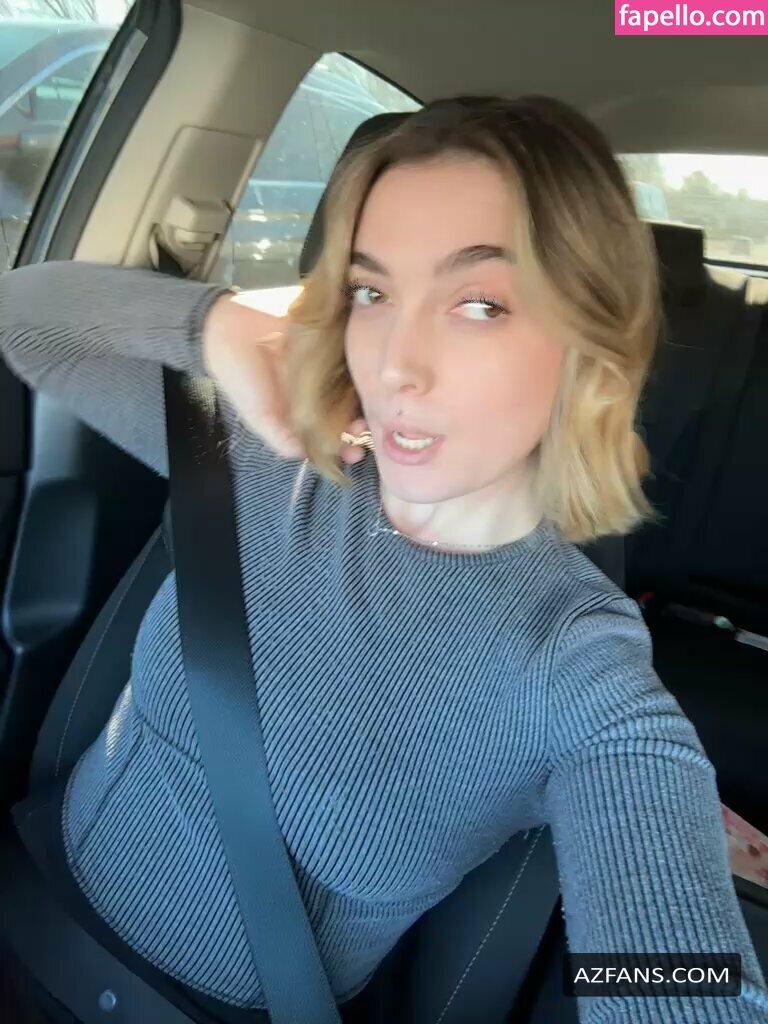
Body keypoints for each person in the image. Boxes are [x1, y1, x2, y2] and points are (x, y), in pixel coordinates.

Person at [0, 93, 766, 1023]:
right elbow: (23, 315)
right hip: (27, 900)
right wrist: (219, 326)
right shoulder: (267, 455)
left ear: (590, 345)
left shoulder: (579, 667)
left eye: (478, 304)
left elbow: (688, 984)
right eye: (371, 293)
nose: (397, 363)